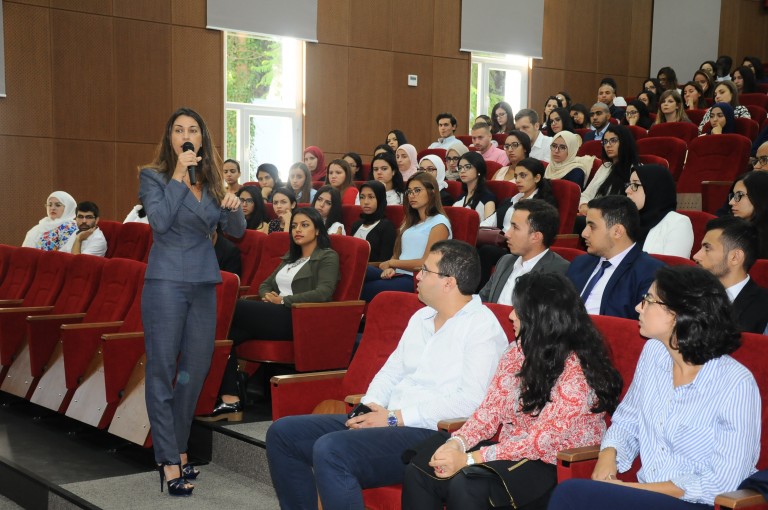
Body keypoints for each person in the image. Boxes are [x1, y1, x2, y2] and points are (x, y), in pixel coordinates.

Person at [266, 239, 508, 510]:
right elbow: (392, 372)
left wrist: (394, 418)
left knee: (332, 449)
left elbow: (471, 402)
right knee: (283, 434)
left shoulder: (482, 328)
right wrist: (370, 407)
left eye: (426, 270)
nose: (418, 276)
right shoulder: (421, 318)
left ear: (448, 282)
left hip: (431, 433)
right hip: (390, 420)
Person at [403, 271, 622, 510]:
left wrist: (468, 459)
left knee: (468, 484)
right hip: (511, 451)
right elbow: (489, 411)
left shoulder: (577, 369)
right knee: (423, 467)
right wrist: (458, 444)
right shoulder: (516, 351)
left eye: (518, 310)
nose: (510, 315)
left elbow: (541, 441)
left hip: (554, 463)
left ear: (541, 317)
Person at [549, 266, 760, 510]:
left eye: (648, 300)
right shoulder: (654, 353)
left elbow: (721, 483)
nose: (638, 307)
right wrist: (609, 455)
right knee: (574, 494)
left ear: (678, 314)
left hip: (697, 502)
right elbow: (628, 421)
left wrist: (633, 490)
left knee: (571, 494)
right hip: (646, 495)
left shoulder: (735, 383)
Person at [139, 107, 245, 495]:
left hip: (203, 282)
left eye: (194, 130)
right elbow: (160, 222)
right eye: (179, 130)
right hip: (166, 282)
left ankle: (179, 448)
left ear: (203, 139)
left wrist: (234, 207)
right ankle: (168, 459)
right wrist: (179, 177)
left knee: (194, 372)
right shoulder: (154, 177)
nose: (187, 136)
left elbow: (236, 232)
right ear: (171, 139)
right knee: (163, 370)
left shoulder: (213, 181)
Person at [200, 207, 339, 423]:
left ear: (318, 230)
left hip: (297, 317)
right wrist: (268, 295)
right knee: (223, 335)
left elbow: (324, 293)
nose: (297, 230)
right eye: (294, 226)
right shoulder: (291, 257)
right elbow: (265, 284)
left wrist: (282, 300)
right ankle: (231, 399)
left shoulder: (327, 256)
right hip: (273, 313)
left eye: (304, 225)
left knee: (232, 307)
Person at [566, 195, 665, 320]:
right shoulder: (580, 263)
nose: (584, 233)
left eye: (592, 226)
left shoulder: (650, 273)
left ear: (617, 231)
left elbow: (643, 324)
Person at [361, 172, 451, 301]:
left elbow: (426, 263)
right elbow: (398, 254)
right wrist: (391, 268)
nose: (412, 195)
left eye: (417, 190)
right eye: (409, 191)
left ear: (432, 192)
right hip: (397, 273)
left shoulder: (439, 222)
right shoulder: (410, 222)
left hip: (415, 278)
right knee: (356, 271)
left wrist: (392, 263)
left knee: (362, 288)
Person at [478, 158, 559, 286]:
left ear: (537, 178)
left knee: (486, 250)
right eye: (516, 176)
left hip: (521, 246)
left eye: (523, 175)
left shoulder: (543, 205)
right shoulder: (510, 201)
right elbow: (489, 221)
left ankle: (478, 290)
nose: (518, 180)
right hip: (501, 241)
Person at [479, 200, 569, 304]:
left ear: (536, 237)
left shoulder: (559, 273)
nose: (507, 234)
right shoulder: (505, 261)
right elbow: (482, 300)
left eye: (515, 227)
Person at [693, 216, 768, 334]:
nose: (696, 256)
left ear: (735, 257)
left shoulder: (764, 306)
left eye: (707, 248)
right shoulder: (691, 294)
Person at [625, 166, 694, 258]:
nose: (627, 190)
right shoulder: (627, 221)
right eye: (629, 184)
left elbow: (673, 265)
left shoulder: (678, 223)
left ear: (654, 188)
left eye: (635, 185)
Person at [579, 124, 638, 215]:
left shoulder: (635, 170)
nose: (608, 145)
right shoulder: (605, 167)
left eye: (613, 140)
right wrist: (584, 206)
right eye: (605, 141)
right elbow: (586, 194)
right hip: (592, 214)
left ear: (625, 142)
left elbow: (629, 206)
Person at [351, 180, 397, 263]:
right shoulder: (356, 224)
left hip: (372, 270)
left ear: (380, 199)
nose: (365, 202)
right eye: (362, 197)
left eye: (371, 197)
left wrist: (360, 266)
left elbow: (384, 262)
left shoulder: (386, 227)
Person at [729, 171, 768, 259]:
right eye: (733, 195)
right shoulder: (733, 230)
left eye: (740, 195)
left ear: (760, 197)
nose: (731, 202)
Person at [454, 151, 496, 224]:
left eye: (467, 167)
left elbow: (489, 228)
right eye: (460, 168)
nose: (462, 171)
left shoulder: (488, 198)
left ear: (479, 169)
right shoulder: (460, 198)